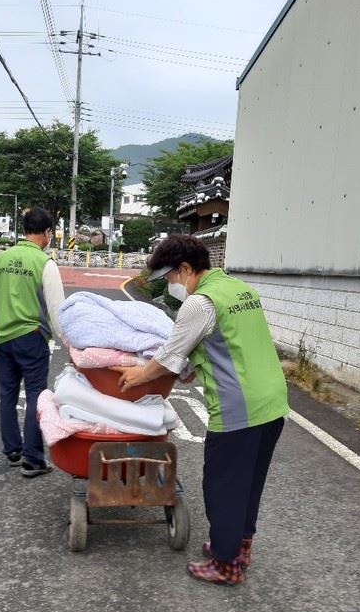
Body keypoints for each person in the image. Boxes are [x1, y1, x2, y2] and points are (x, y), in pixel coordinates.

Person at [116, 234, 289, 585]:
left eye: (169, 277)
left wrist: (137, 377)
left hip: (239, 407)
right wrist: (194, 367)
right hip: (272, 402)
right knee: (249, 484)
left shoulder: (201, 302)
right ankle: (239, 547)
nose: (170, 285)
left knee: (222, 486)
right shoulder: (239, 289)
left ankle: (225, 565)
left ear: (185, 268)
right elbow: (228, 341)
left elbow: (168, 356)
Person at [0, 206, 65, 478]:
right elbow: (57, 310)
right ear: (47, 233)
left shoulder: (3, 258)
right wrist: (66, 341)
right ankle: (33, 459)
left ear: (24, 230)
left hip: (3, 335)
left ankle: (13, 452)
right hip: (31, 337)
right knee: (35, 396)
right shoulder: (45, 263)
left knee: (7, 394)